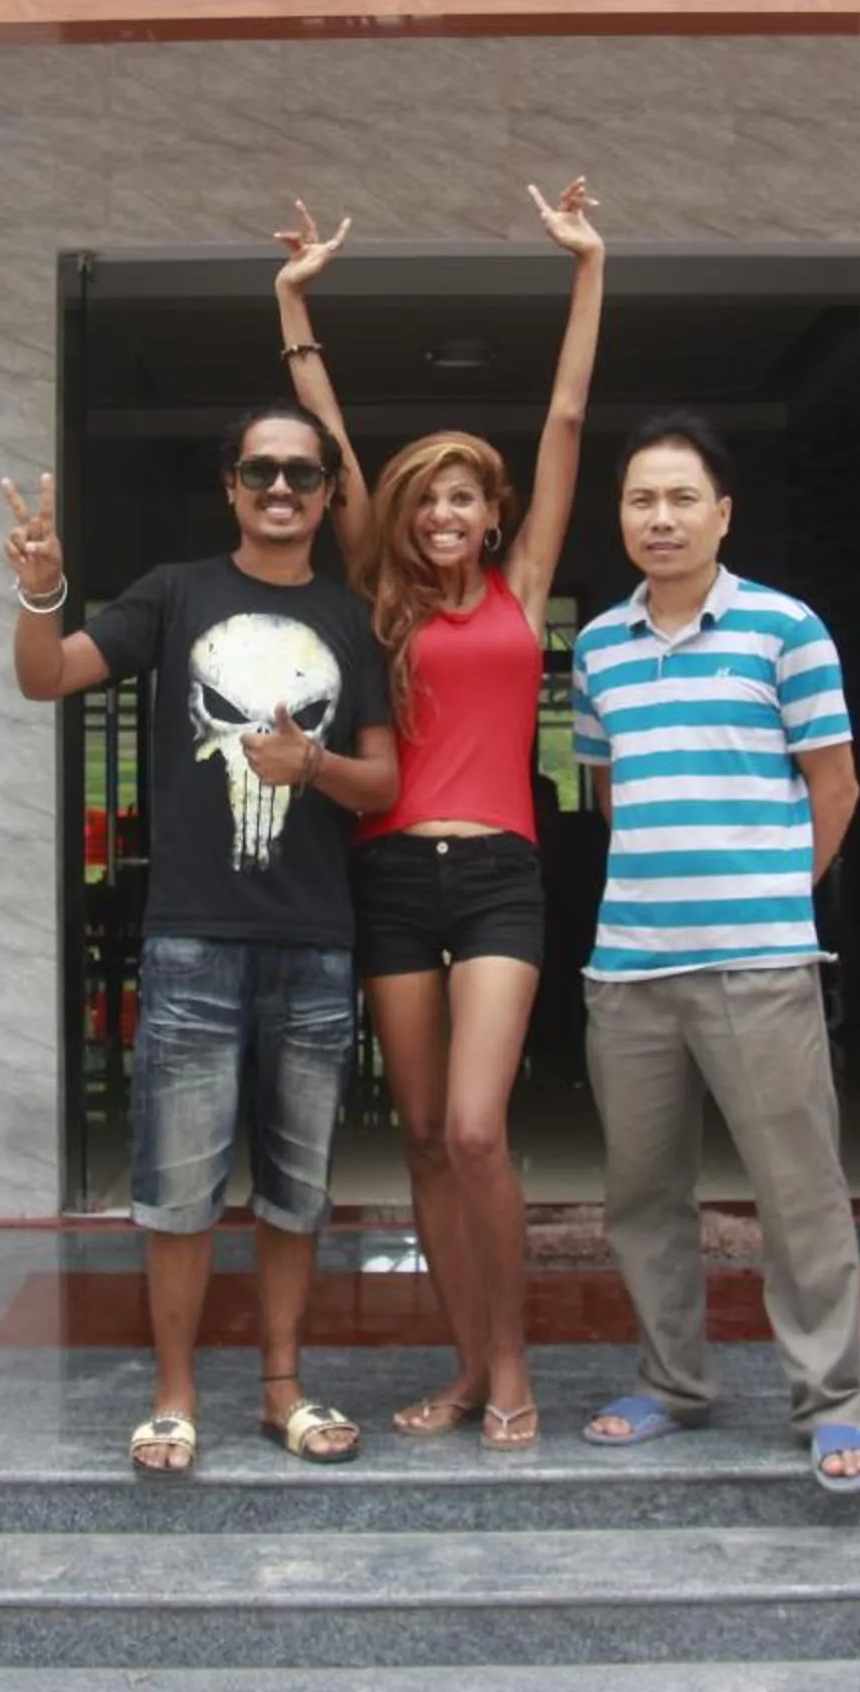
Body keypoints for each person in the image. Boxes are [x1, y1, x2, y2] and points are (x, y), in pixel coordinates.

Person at [270, 178, 605, 1451]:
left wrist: (588, 265)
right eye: (428, 500)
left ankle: (511, 1358)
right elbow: (334, 445)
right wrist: (294, 305)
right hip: (389, 876)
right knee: (416, 1135)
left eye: (466, 498)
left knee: (476, 1126)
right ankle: (467, 1369)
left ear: (495, 513)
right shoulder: (378, 596)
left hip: (504, 873)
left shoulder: (521, 587)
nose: (444, 514)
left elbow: (567, 414)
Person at [2, 410, 399, 1477]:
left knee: (294, 1188)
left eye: (301, 472)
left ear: (324, 492)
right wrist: (43, 588)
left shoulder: (352, 623)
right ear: (232, 484)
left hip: (314, 943)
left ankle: (281, 1386)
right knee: (177, 1192)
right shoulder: (174, 594)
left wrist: (308, 767)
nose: (281, 486)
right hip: (190, 944)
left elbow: (385, 781)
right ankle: (174, 1395)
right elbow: (47, 676)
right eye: (261, 469)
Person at [567, 413, 860, 1495]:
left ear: (722, 513)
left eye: (681, 498)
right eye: (640, 500)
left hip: (760, 965)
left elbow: (834, 785)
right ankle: (673, 1379)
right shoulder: (598, 645)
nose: (660, 518)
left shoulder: (784, 628)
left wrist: (774, 892)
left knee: (799, 1189)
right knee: (643, 1194)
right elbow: (610, 793)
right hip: (630, 968)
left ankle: (833, 1398)